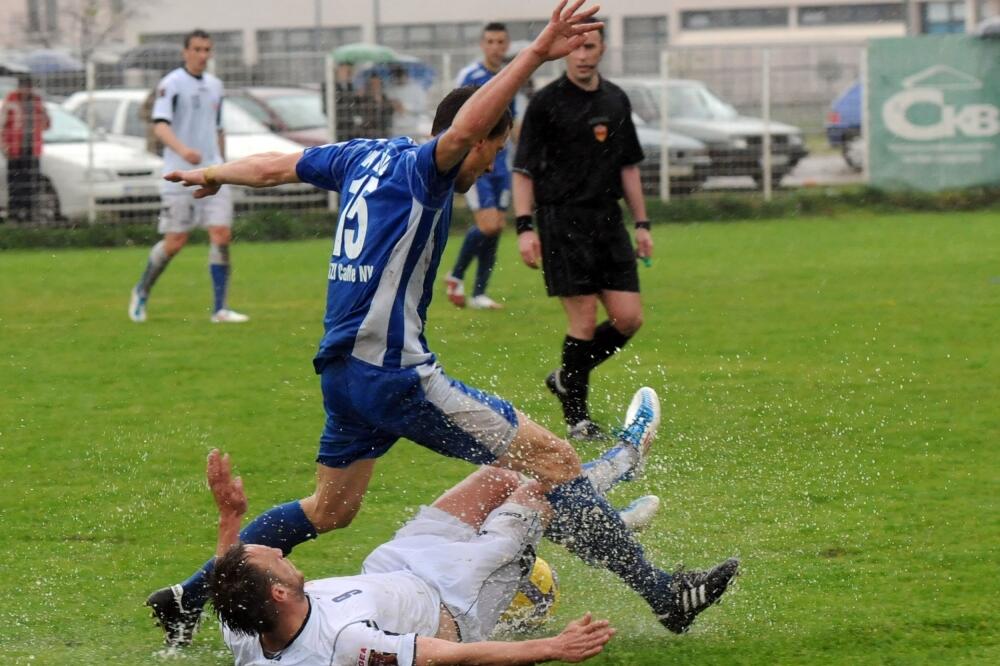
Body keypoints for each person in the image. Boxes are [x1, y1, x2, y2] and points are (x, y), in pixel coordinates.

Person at [145, 1, 737, 649]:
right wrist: (537, 52)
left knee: (330, 510)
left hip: (340, 375)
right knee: (555, 458)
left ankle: (188, 597)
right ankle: (665, 595)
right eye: (495, 150)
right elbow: (464, 131)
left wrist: (210, 173)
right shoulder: (426, 170)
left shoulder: (359, 156)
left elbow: (269, 168)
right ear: (477, 140)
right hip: (393, 375)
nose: (488, 165)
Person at [206, 449, 623, 665]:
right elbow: (454, 657)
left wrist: (230, 517)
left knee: (501, 475)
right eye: (272, 557)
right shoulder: (343, 646)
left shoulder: (245, 627)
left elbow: (225, 580)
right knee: (537, 489)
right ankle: (624, 460)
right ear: (278, 593)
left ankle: (587, 522)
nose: (279, 549)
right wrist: (554, 646)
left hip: (396, 564)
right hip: (457, 594)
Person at [512, 20, 653, 441]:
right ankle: (577, 418)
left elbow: (628, 166)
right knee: (585, 319)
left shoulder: (616, 99)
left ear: (602, 48)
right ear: (565, 52)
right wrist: (524, 227)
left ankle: (566, 376)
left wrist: (642, 223)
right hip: (561, 221)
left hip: (608, 220)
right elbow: (522, 171)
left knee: (628, 318)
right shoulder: (545, 103)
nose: (582, 54)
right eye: (575, 47)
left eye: (590, 45)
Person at [127, 29, 248, 324]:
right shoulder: (171, 84)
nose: (203, 55)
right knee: (175, 242)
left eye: (207, 49)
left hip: (211, 172)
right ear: (185, 52)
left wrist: (223, 168)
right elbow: (160, 126)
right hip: (178, 174)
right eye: (197, 49)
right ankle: (141, 290)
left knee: (221, 235)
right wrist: (184, 150)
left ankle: (220, 309)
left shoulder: (216, 86)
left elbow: (218, 129)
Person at [443, 21, 514, 310]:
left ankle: (481, 292)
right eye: (491, 42)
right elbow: (454, 115)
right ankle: (456, 275)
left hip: (503, 164)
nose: (496, 47)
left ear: (507, 45)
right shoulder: (470, 76)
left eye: (501, 42)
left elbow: (513, 121)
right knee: (487, 224)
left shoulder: (511, 76)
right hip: (477, 161)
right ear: (483, 45)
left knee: (496, 226)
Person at [1, 75, 50, 223]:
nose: (26, 90)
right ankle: (15, 214)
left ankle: (29, 214)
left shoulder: (36, 102)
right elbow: (2, 125)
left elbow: (46, 125)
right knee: (16, 184)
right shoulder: (11, 100)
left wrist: (44, 112)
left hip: (32, 149)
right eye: (23, 86)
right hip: (15, 149)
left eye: (28, 87)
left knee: (32, 183)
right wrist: (4, 146)